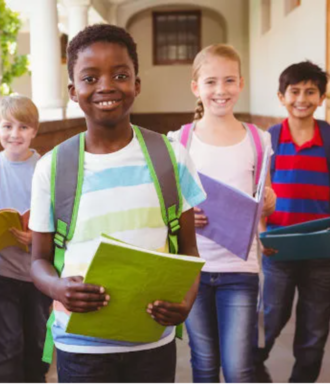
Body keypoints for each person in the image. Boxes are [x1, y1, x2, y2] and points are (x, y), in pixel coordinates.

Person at [29, 24, 207, 383]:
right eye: (90, 78)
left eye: (120, 75)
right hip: (81, 348)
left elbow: (188, 248)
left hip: (151, 342)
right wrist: (57, 287)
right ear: (73, 91)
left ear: (137, 85)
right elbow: (37, 260)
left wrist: (185, 302)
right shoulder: (53, 166)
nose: (106, 86)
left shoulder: (172, 157)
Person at [167, 44, 276, 382]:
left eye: (229, 81)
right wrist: (185, 214)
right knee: (204, 363)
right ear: (195, 87)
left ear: (241, 84)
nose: (221, 90)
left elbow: (264, 195)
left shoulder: (258, 139)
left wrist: (268, 201)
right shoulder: (181, 141)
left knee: (239, 367)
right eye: (211, 81)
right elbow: (168, 205)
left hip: (240, 269)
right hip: (194, 269)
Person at [254, 61, 330, 383]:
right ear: (281, 96)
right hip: (278, 250)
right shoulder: (269, 138)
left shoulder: (328, 137)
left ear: (322, 97)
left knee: (314, 330)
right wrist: (262, 235)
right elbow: (257, 193)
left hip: (322, 252)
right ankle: (253, 371)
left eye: (310, 91)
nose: (302, 98)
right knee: (269, 320)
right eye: (295, 91)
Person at [0, 95, 52, 382]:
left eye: (23, 127)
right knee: (5, 348)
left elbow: (61, 221)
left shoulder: (47, 167)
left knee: (38, 345)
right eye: (7, 126)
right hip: (1, 273)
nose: (14, 134)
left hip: (39, 273)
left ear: (34, 130)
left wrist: (36, 238)